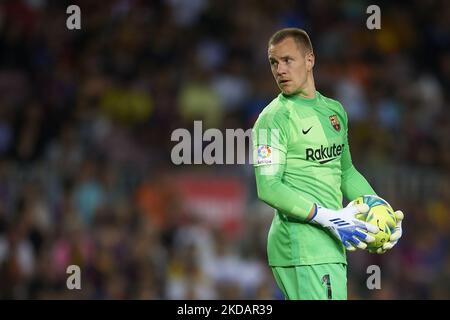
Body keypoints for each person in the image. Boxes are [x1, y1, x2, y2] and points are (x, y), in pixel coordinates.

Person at [252, 28, 404, 300]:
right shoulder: (272, 118)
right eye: (274, 63)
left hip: (330, 245)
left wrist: (380, 209)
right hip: (301, 245)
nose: (280, 70)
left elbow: (346, 172)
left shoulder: (334, 111)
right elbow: (268, 187)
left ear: (310, 60)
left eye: (288, 60)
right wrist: (329, 217)